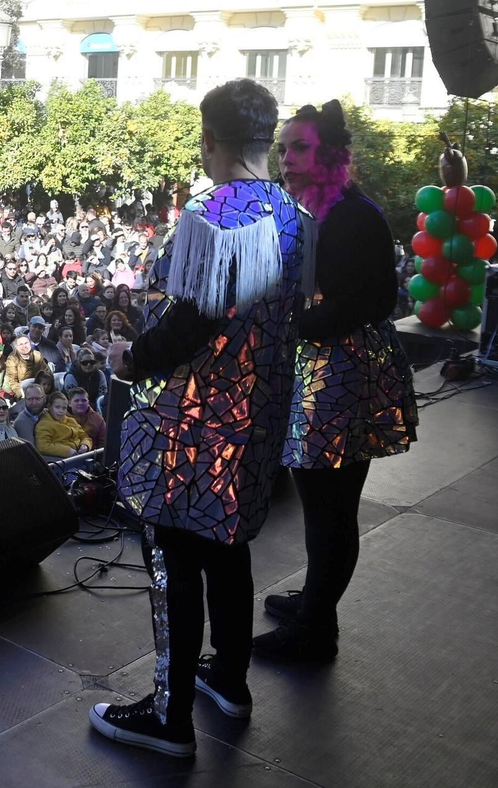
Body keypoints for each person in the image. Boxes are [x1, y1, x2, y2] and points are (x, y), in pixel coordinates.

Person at [90, 78, 310, 758]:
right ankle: (230, 682)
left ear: (209, 139)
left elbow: (191, 321)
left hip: (199, 419)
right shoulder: (295, 213)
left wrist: (132, 358)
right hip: (262, 416)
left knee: (177, 559)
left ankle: (169, 715)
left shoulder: (210, 213)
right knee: (229, 549)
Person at [259, 101, 417, 662]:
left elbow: (377, 301)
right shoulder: (300, 212)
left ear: (330, 153)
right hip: (313, 369)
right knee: (317, 504)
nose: (286, 159)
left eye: (298, 147)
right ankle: (315, 600)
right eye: (282, 149)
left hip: (346, 374)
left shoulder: (356, 217)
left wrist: (294, 322)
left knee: (332, 509)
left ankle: (316, 629)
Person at [35, 391, 91, 458]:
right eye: (57, 407)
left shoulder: (71, 420)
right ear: (49, 407)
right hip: (62, 459)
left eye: (64, 408)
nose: (61, 411)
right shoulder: (44, 424)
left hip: (79, 455)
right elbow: (43, 446)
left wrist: (85, 445)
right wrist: (67, 451)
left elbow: (84, 436)